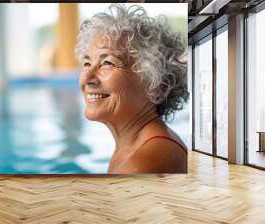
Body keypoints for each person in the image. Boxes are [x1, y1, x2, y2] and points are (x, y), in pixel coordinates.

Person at [75, 4, 189, 173]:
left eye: (108, 63)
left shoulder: (145, 161)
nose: (87, 78)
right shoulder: (138, 145)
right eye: (87, 63)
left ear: (157, 87)